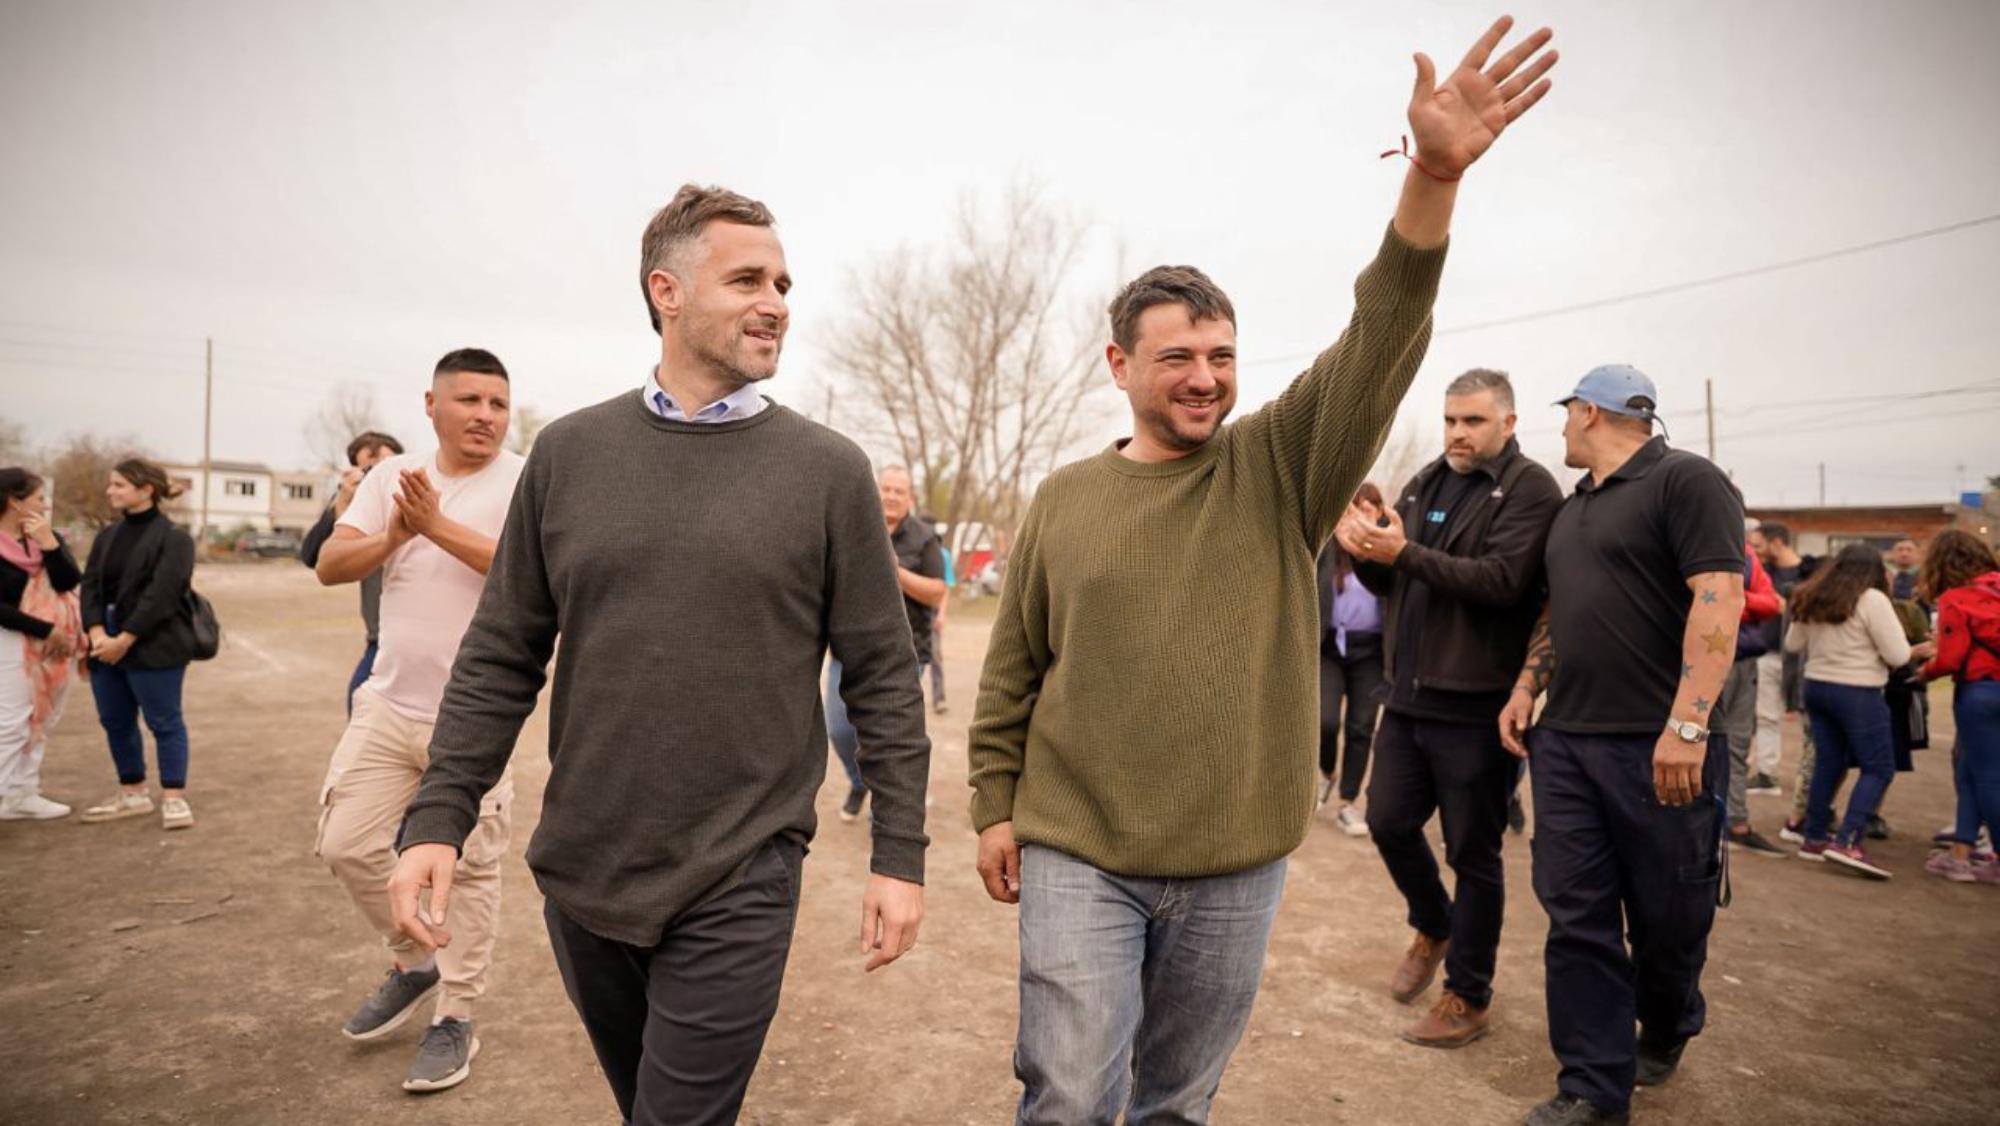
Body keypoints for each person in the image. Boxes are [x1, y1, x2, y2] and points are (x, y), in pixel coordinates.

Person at [969, 20, 1557, 1123]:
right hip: (1076, 847)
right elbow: (1011, 672)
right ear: (1118, 365)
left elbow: (1381, 331)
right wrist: (990, 804)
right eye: (1177, 357)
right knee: (1064, 1095)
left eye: (1221, 356)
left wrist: (1431, 178)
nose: (1204, 378)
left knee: (1174, 1105)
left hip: (1235, 860)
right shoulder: (1061, 500)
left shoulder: (1280, 467)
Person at [386, 184, 931, 1126]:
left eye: (785, 283)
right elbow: (502, 653)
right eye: (749, 279)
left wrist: (902, 854)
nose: (777, 302)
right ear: (666, 290)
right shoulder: (570, 453)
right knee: (646, 1100)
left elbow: (883, 676)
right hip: (586, 867)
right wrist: (438, 816)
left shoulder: (828, 471)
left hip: (742, 866)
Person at [1497, 363, 1746, 1126]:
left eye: (1568, 412)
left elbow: (1719, 599)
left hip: (1660, 743)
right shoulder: (1573, 512)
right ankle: (1592, 1087)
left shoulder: (1686, 482)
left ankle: (1669, 1020)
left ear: (1590, 412)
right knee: (1577, 916)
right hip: (1568, 743)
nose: (1564, 426)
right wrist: (1527, 685)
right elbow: (1560, 614)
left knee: (1671, 917)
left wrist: (1687, 725)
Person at [311, 348, 522, 1093]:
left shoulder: (524, 479)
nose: (485, 416)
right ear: (430, 405)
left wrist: (432, 527)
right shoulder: (389, 479)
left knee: (469, 869)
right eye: (469, 400)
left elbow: (536, 574)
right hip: (388, 700)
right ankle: (416, 959)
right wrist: (398, 532)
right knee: (345, 843)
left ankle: (454, 1018)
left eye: (498, 403)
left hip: (475, 719)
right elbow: (333, 564)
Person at [1333, 368, 1562, 1048]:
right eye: (1451, 420)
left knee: (1474, 852)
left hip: (1477, 705)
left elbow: (1500, 581)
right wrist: (1371, 552)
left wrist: (1403, 550)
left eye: (1473, 422)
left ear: (1508, 424)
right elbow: (1396, 573)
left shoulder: (1529, 490)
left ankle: (1469, 995)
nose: (1459, 434)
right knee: (1388, 823)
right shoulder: (1428, 479)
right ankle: (1433, 922)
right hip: (1407, 698)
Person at [77, 459, 199, 830]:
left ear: (146, 490)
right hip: (105, 640)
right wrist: (98, 633)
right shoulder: (106, 537)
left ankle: (174, 798)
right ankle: (132, 792)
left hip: (154, 642)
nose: (111, 491)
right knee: (115, 719)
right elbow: (91, 587)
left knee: (164, 721)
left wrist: (126, 638)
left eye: (119, 485)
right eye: (111, 485)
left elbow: (163, 595)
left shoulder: (174, 538)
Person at [1783, 543, 1917, 878]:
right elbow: (1898, 655)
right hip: (1858, 690)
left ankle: (1814, 837)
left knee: (1829, 762)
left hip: (1816, 686)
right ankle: (1848, 841)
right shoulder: (1872, 599)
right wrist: (1920, 650)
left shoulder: (1812, 594)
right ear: (1874, 570)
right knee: (1879, 767)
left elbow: (1792, 644)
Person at [824, 465, 946, 822]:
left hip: (905, 651)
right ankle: (861, 782)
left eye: (899, 491)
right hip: (848, 647)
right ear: (877, 492)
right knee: (839, 728)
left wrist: (895, 571)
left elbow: (937, 591)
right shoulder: (856, 529)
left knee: (891, 731)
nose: (891, 496)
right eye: (887, 489)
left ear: (910, 497)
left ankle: (896, 803)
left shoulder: (924, 539)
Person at [299, 430, 405, 714]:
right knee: (359, 707)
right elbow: (313, 556)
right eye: (369, 467)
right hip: (379, 640)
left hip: (415, 639)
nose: (380, 471)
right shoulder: (361, 510)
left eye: (386, 462)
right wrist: (344, 498)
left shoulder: (418, 499)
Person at [1915, 530, 2000, 884]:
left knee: (1987, 777)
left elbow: (1950, 658)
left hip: (1980, 693)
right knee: (1970, 770)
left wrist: (1924, 671)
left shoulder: (1957, 598)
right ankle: (1961, 852)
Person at [0, 467, 85, 821]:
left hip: (51, 640)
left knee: (42, 716)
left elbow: (68, 580)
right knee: (12, 721)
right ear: (14, 502)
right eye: (38, 498)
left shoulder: (44, 537)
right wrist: (43, 628)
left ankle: (23, 792)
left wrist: (50, 544)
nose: (45, 504)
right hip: (11, 637)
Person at [1316, 481, 1387, 838]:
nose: (1362, 514)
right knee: (1326, 722)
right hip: (1329, 648)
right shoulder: (1330, 547)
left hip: (1370, 652)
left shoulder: (1388, 550)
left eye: (1369, 507)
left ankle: (1347, 803)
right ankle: (1326, 771)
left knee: (1361, 727)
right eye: (1354, 507)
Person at [1721, 534, 1784, 855]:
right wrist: (1741, 602)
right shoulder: (1683, 543)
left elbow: (1772, 603)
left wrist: (1731, 599)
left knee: (1737, 743)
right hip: (1698, 660)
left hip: (1744, 659)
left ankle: (1735, 823)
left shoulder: (1744, 554)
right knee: (1691, 741)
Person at [1747, 522, 1803, 797]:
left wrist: (1788, 604)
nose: (1754, 551)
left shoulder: (1809, 572)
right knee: (1766, 716)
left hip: (1803, 659)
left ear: (1777, 542)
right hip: (1767, 654)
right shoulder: (1762, 573)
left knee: (1809, 720)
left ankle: (1809, 782)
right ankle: (1767, 774)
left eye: (1758, 545)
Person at [929, 519, 954, 716]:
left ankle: (939, 698)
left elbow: (946, 586)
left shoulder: (943, 554)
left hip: (932, 612)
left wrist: (942, 614)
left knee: (935, 655)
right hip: (911, 612)